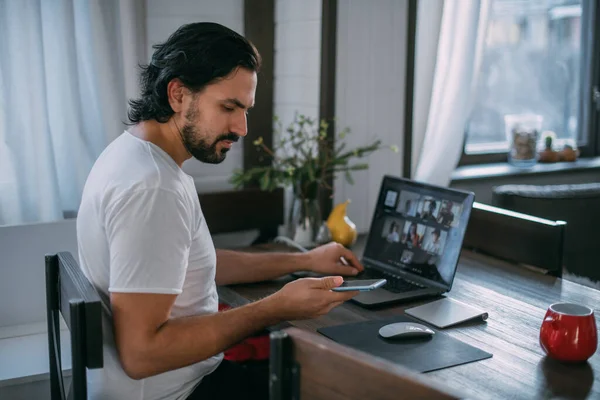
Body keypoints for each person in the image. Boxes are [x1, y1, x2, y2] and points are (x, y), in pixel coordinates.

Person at [76, 22, 363, 400]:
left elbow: (192, 266)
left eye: (245, 110)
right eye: (228, 107)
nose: (242, 128)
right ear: (178, 94)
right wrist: (275, 307)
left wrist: (306, 258)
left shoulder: (137, 156)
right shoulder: (152, 188)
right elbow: (142, 354)